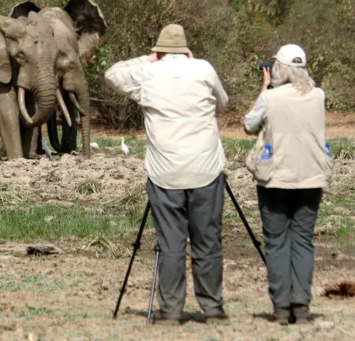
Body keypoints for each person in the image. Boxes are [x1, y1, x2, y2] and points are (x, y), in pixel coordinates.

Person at [105, 24, 229, 325]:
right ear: (186, 48)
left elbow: (112, 74)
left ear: (158, 50)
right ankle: (213, 308)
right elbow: (223, 103)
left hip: (165, 174)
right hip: (206, 169)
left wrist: (148, 60)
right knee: (208, 240)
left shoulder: (148, 73)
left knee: (171, 243)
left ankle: (171, 311)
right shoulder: (202, 68)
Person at [243, 44, 328, 326]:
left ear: (278, 68)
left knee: (277, 242)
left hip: (275, 179)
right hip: (311, 178)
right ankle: (301, 307)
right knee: (303, 240)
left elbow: (249, 125)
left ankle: (281, 308)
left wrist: (264, 89)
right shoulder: (319, 96)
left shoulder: (271, 98)